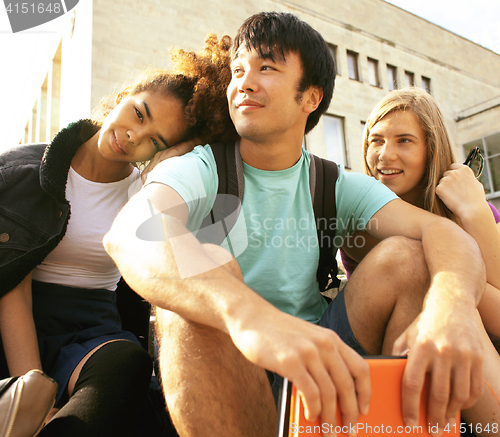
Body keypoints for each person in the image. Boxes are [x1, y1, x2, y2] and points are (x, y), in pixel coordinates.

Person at [104, 12, 485, 437]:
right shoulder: (202, 167)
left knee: (409, 258)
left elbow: (443, 232)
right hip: (226, 363)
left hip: (320, 356)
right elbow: (130, 232)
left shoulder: (332, 182)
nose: (243, 83)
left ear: (310, 98)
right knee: (194, 282)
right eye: (237, 70)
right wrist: (250, 318)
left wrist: (451, 308)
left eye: (266, 67)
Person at [0, 33, 238, 436]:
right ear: (124, 95)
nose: (133, 137)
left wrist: (173, 160)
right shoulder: (20, 172)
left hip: (90, 325)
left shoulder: (152, 197)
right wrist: (31, 388)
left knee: (127, 361)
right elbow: (12, 285)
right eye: (140, 114)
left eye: (155, 141)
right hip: (15, 310)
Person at [340, 87, 500, 436]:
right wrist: (459, 279)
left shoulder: (476, 211)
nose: (384, 154)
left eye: (404, 141)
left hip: (472, 365)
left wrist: (474, 211)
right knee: (439, 281)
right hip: (400, 353)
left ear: (432, 149)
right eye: (375, 140)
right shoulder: (362, 220)